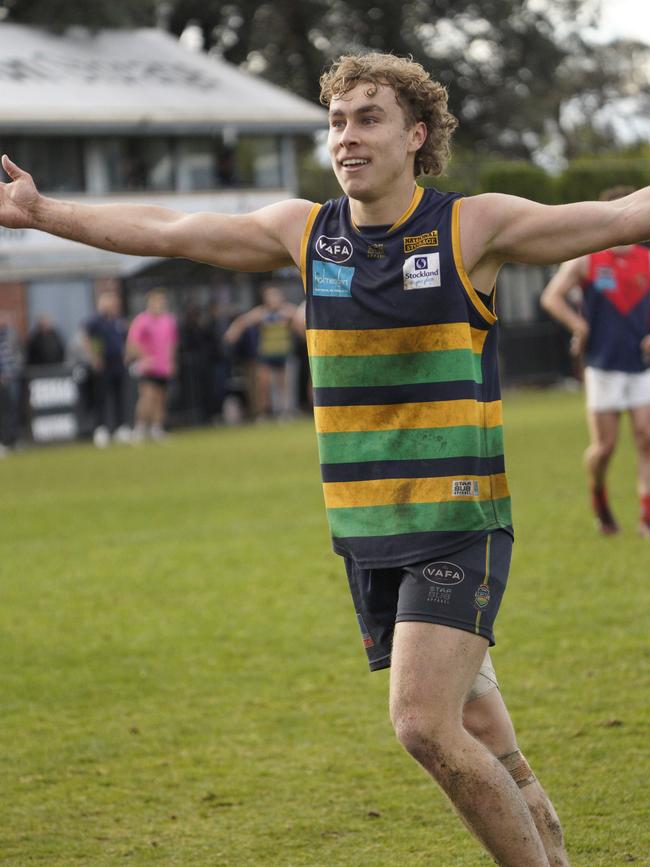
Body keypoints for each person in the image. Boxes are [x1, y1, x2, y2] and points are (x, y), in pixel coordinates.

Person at [8, 49, 650, 864]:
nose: (347, 137)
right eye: (338, 122)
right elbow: (170, 228)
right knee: (478, 720)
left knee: (422, 721)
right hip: (366, 531)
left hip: (457, 522)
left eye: (369, 119)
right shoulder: (305, 233)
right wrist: (41, 210)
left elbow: (626, 216)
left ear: (417, 134)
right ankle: (546, 835)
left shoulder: (471, 226)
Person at [541, 186, 650, 537]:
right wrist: (579, 325)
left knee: (646, 437)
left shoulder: (646, 259)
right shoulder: (587, 257)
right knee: (604, 448)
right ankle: (599, 497)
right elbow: (552, 296)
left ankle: (646, 515)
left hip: (642, 364)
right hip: (602, 365)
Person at [224, 285, 297, 420]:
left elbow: (301, 319)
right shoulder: (262, 313)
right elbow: (242, 321)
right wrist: (233, 331)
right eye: (271, 296)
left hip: (283, 352)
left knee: (284, 385)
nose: (274, 299)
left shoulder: (288, 311)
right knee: (264, 385)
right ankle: (263, 413)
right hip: (267, 353)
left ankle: (285, 412)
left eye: (276, 295)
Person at [126, 289, 178, 442]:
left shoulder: (169, 320)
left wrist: (171, 361)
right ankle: (140, 428)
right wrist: (144, 358)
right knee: (147, 397)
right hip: (148, 367)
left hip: (163, 367)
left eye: (162, 301)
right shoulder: (141, 320)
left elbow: (171, 344)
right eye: (156, 301)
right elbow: (132, 344)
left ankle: (157, 428)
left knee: (161, 398)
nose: (159, 304)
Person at [83, 290, 130, 447]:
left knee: (119, 396)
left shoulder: (118, 320)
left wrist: (125, 354)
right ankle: (100, 429)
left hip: (118, 362)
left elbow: (125, 339)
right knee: (101, 398)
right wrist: (94, 357)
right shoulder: (95, 321)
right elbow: (87, 338)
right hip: (103, 363)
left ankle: (120, 428)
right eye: (107, 301)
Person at [0, 310, 24, 453]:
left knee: (13, 410)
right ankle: (3, 441)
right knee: (3, 411)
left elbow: (19, 352)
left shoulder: (11, 334)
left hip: (12, 377)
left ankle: (12, 440)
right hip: (1, 379)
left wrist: (15, 369)